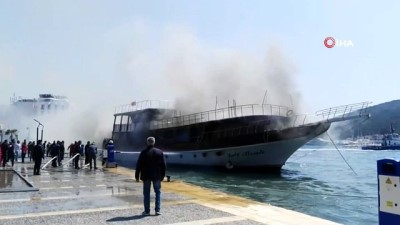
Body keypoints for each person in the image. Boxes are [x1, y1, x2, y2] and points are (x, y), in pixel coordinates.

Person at [135, 137, 166, 216]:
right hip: (157, 176)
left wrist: (137, 176)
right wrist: (162, 176)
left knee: (146, 193)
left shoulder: (143, 152)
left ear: (147, 143)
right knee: (158, 192)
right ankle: (157, 210)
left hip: (146, 176)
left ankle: (147, 211)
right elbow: (163, 165)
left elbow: (139, 165)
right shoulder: (159, 152)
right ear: (154, 142)